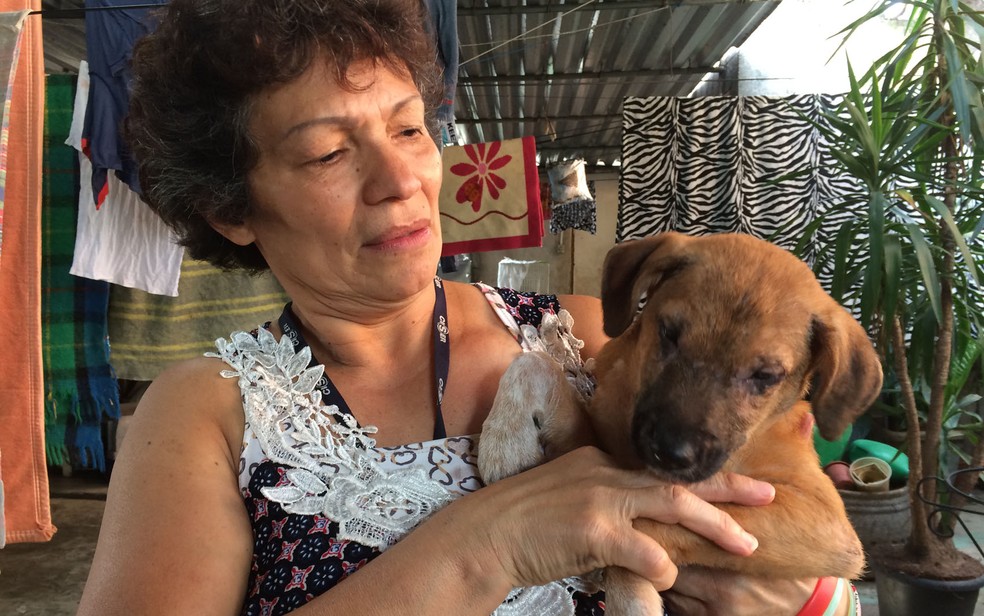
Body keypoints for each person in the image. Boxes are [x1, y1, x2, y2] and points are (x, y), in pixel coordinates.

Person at [76, 1, 857, 614]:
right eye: (328, 152)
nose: (401, 178)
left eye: (411, 127)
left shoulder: (583, 338)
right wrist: (486, 546)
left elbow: (804, 545)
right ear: (229, 208)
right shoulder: (204, 415)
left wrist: (812, 600)